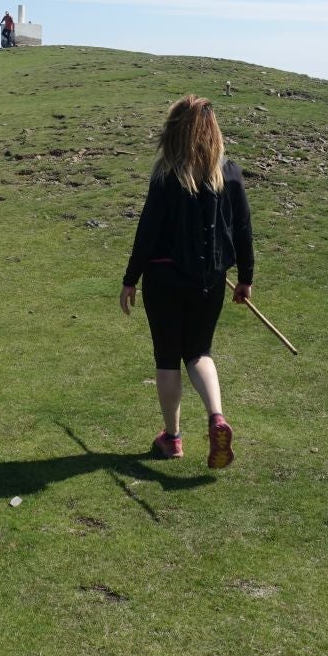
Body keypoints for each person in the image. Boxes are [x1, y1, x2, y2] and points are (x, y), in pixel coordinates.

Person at [120, 95, 254, 469]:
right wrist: (245, 278)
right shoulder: (230, 173)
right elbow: (243, 231)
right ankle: (217, 417)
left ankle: (173, 439)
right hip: (210, 278)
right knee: (199, 353)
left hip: (163, 279)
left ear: (173, 131)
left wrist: (130, 279)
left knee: (167, 357)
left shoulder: (166, 174)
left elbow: (147, 231)